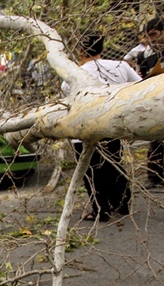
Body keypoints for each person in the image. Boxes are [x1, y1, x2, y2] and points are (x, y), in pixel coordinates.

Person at [63, 33, 140, 221]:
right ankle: (122, 203)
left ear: (81, 50)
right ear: (102, 48)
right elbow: (139, 85)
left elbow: (66, 91)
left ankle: (100, 209)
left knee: (91, 170)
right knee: (114, 163)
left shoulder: (76, 73)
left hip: (86, 127)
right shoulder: (121, 66)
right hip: (112, 124)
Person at [136, 17, 164, 189]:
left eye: (154, 34)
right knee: (155, 139)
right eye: (148, 36)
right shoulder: (144, 55)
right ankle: (154, 177)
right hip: (157, 101)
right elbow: (142, 79)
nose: (151, 39)